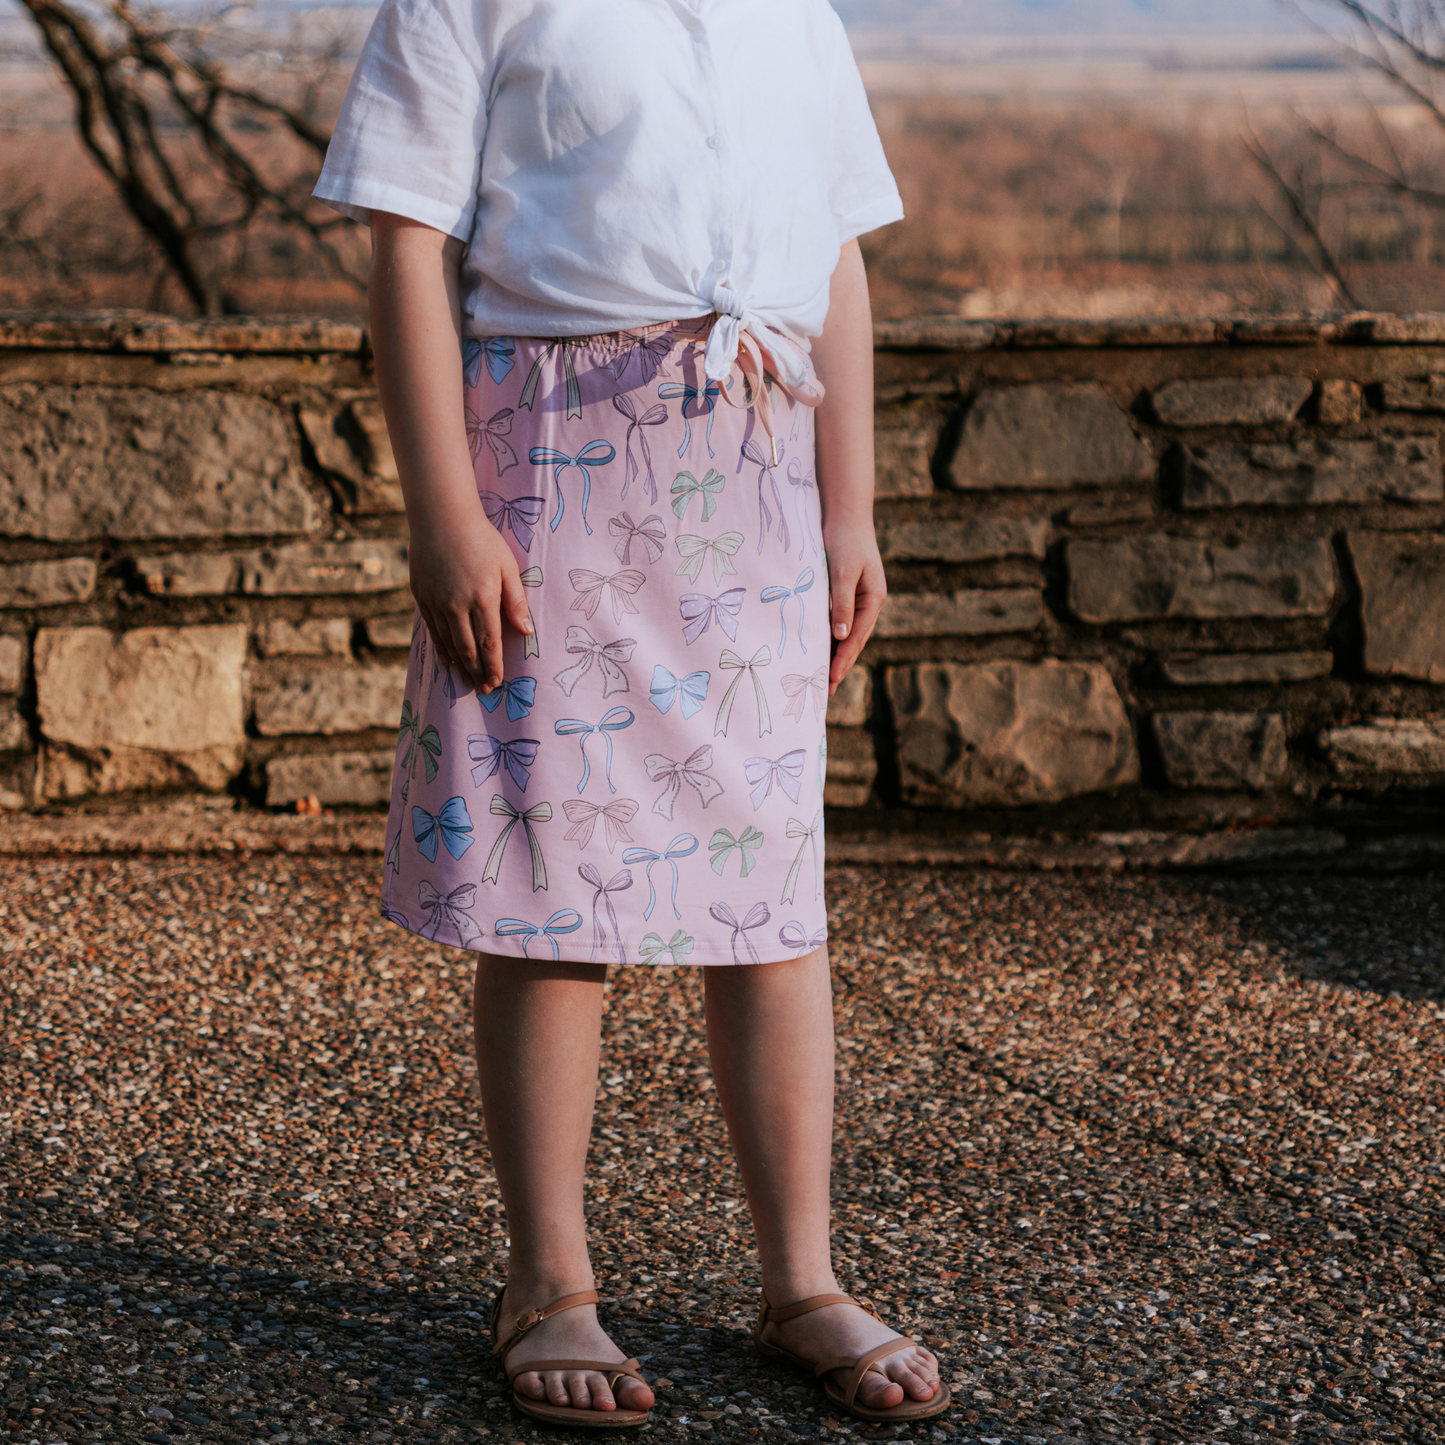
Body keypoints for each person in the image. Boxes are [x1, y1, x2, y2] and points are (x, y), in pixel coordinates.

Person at [314, 0, 949, 1428]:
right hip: (555, 474)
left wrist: (852, 508)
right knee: (556, 887)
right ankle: (549, 1283)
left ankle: (802, 1281)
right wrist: (445, 515)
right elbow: (408, 243)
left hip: (759, 476)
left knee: (771, 899)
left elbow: (836, 254)